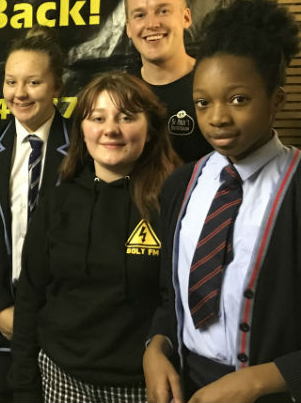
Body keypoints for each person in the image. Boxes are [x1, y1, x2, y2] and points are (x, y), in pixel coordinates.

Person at [142, 0, 301, 402]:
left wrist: (258, 381)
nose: (217, 118)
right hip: (189, 387)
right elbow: (172, 296)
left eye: (239, 99)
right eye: (203, 102)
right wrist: (157, 345)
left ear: (276, 100)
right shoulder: (181, 186)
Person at [11, 72, 179, 402]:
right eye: (98, 118)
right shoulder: (57, 202)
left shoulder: (174, 203)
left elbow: (180, 301)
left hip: (141, 385)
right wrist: (23, 384)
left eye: (127, 117)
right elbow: (30, 295)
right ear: (82, 130)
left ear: (151, 128)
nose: (110, 130)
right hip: (60, 378)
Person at [0, 28, 71, 399]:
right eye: (11, 82)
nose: (19, 94)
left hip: (64, 322)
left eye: (33, 82)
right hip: (2, 320)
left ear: (57, 85)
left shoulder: (84, 147)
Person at [124, 0, 211, 163]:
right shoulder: (122, 93)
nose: (152, 24)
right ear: (129, 28)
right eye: (140, 15)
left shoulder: (214, 84)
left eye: (163, 11)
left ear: (186, 18)